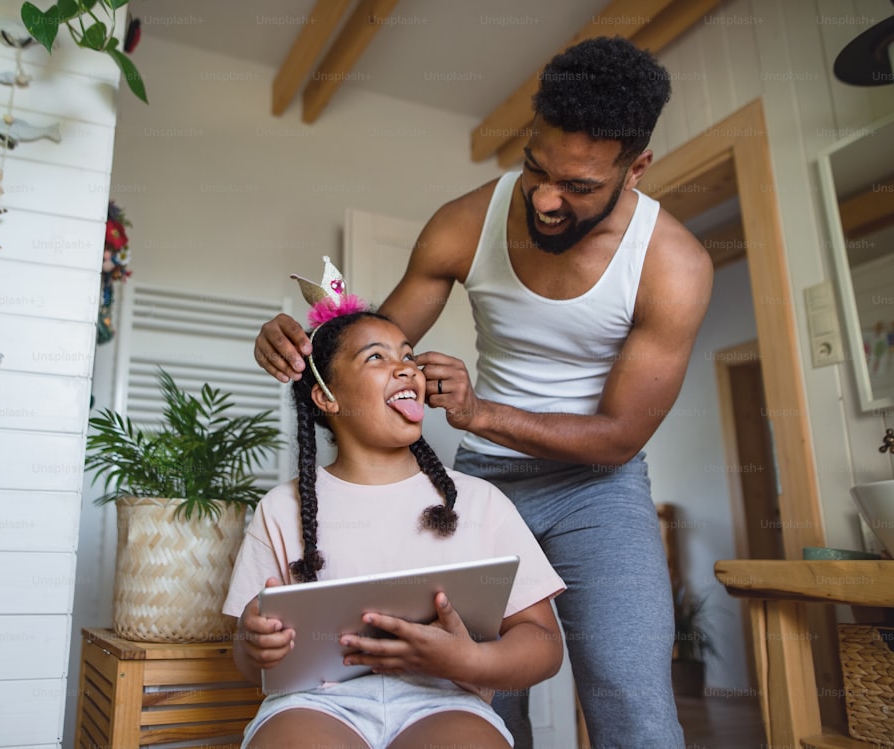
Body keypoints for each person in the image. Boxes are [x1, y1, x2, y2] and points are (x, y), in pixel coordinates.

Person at [253, 36, 713, 749]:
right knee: (480, 699)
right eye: (536, 168)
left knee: (632, 699)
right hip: (488, 482)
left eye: (581, 186)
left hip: (602, 486)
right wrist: (301, 348)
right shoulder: (466, 223)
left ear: (637, 167)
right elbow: (364, 352)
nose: (548, 199)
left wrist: (476, 412)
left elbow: (621, 434)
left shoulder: (673, 264)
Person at [225, 302, 567, 749]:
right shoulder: (279, 508)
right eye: (376, 357)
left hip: (446, 702)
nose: (406, 368)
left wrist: (470, 660)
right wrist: (254, 647)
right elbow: (246, 657)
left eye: (408, 356)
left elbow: (544, 643)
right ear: (327, 396)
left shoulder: (481, 501)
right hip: (315, 704)